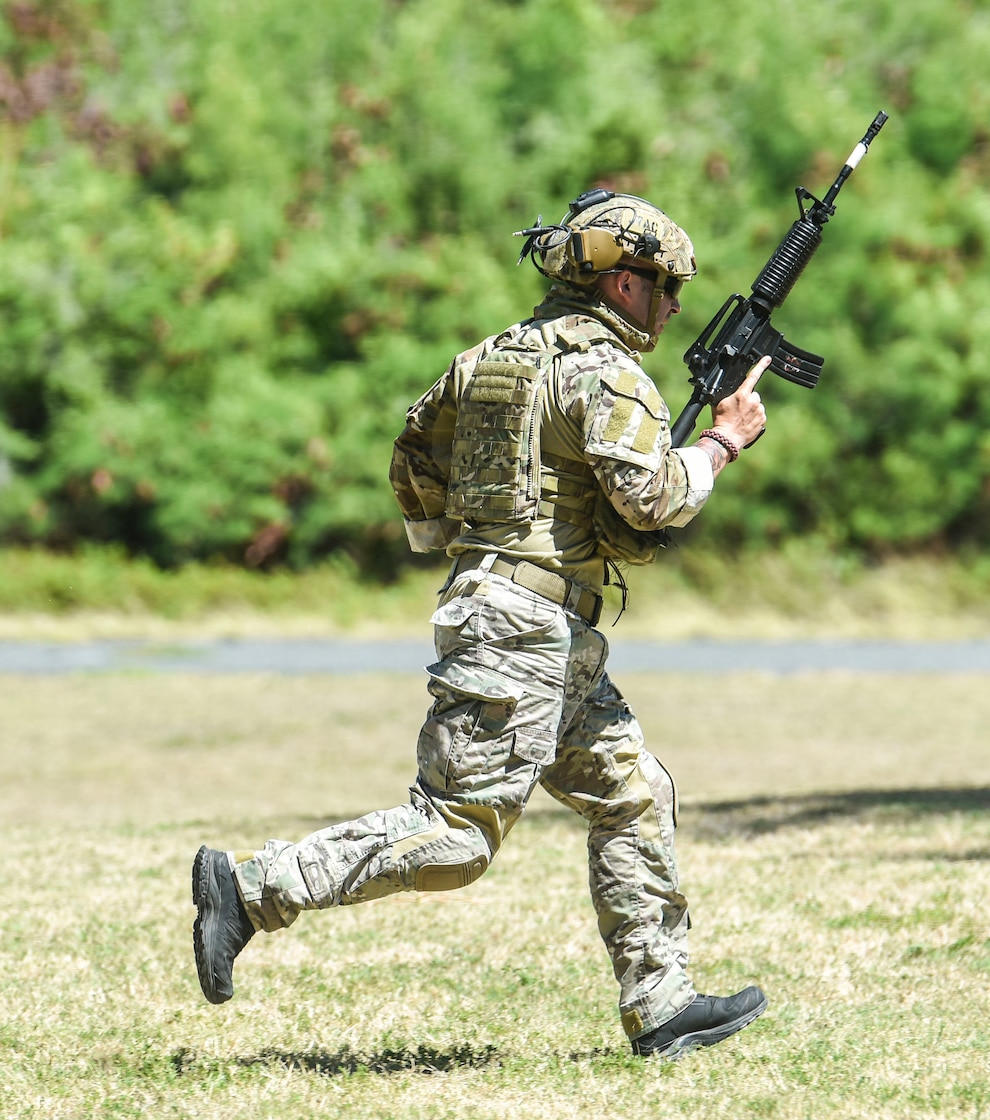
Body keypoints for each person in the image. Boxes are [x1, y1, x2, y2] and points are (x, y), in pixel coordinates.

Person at [191, 190, 772, 1058]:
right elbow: (652, 497)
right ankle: (249, 888)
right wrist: (722, 442)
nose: (675, 305)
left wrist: (475, 551)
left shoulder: (491, 358)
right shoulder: (604, 371)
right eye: (665, 286)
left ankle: (662, 1004)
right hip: (525, 631)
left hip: (533, 626)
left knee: (634, 792)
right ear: (620, 284)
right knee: (458, 834)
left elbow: (412, 452)